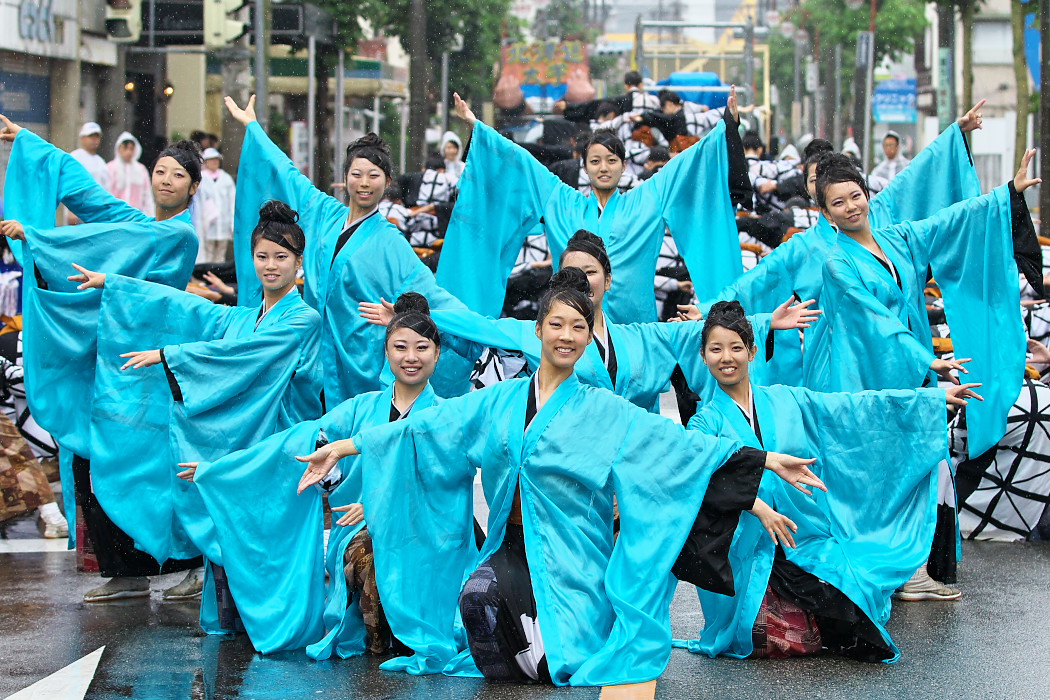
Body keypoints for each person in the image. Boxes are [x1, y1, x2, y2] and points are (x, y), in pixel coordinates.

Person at [297, 268, 825, 686]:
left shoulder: (602, 408)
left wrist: (763, 462)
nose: (568, 336)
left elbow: (676, 444)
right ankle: (528, 641)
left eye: (579, 327)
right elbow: (430, 424)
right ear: (538, 331)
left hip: (575, 552)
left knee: (568, 659)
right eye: (558, 325)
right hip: (514, 542)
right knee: (477, 598)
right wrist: (344, 447)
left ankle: (548, 639)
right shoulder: (502, 398)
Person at [683, 303, 979, 661]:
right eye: (715, 349)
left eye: (735, 347)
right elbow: (706, 483)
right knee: (793, 640)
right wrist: (759, 509)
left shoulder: (787, 398)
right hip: (745, 546)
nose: (726, 358)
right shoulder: (702, 425)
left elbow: (855, 408)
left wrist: (928, 401)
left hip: (801, 534)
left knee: (855, 613)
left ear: (752, 351)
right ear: (703, 355)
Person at [69, 200, 322, 609]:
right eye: (262, 256)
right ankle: (237, 617)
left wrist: (170, 356)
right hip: (247, 436)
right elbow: (191, 308)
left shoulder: (302, 319)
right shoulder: (244, 317)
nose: (270, 265)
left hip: (279, 441)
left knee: (269, 542)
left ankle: (282, 618)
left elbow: (247, 354)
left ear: (299, 263)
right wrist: (117, 286)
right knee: (233, 533)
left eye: (281, 256)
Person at [0, 113, 202, 601]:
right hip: (117, 361)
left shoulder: (179, 235)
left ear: (195, 187)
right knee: (101, 460)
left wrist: (39, 237)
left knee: (151, 468)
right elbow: (93, 202)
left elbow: (106, 244)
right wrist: (31, 144)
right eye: (161, 172)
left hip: (155, 368)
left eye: (179, 175)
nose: (166, 181)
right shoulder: (145, 225)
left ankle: (194, 564)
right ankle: (127, 569)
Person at [173, 292, 442, 655]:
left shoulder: (447, 415)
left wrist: (381, 506)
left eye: (421, 347)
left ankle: (409, 634)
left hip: (428, 526)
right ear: (386, 352)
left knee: (393, 550)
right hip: (359, 527)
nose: (411, 357)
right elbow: (295, 442)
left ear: (437, 353)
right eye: (400, 347)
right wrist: (221, 470)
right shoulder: (361, 408)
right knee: (367, 552)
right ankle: (383, 641)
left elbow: (445, 482)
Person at [362, 229, 820, 411]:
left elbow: (693, 334)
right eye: (573, 274)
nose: (583, 282)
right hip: (563, 463)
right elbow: (478, 325)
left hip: (623, 462)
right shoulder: (535, 334)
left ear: (608, 279)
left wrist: (762, 323)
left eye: (592, 273)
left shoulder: (639, 339)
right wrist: (409, 318)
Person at [704, 102, 989, 387]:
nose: (846, 202)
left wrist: (955, 135)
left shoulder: (883, 222)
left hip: (899, 353)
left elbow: (915, 178)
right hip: (840, 364)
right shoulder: (803, 247)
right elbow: (754, 282)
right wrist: (707, 309)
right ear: (812, 191)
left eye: (847, 187)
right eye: (817, 179)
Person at [224, 95, 475, 403]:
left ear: (388, 182)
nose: (364, 183)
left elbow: (431, 296)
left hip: (359, 359)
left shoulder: (391, 242)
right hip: (311, 352)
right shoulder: (323, 214)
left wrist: (472, 328)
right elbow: (287, 174)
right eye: (356, 174)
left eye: (374, 175)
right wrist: (253, 128)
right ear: (344, 179)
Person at [437, 88, 749, 325]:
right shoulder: (562, 201)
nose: (604, 168)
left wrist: (727, 127)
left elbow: (686, 164)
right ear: (584, 166)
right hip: (573, 326)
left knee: (635, 406)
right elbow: (522, 164)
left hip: (633, 327)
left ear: (624, 166)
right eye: (595, 161)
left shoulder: (647, 199)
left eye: (612, 160)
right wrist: (477, 127)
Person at [192, 148, 236, 263]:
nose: (214, 162)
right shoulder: (201, 179)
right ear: (205, 162)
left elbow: (232, 201)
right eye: (211, 160)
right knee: (208, 251)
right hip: (207, 222)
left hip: (223, 222)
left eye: (216, 160)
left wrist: (232, 222)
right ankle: (207, 275)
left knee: (221, 252)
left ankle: (219, 275)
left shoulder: (226, 178)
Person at [106, 132, 154, 216]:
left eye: (131, 149)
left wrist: (150, 215)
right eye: (126, 148)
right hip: (116, 216)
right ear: (119, 148)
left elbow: (147, 195)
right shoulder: (110, 168)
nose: (128, 152)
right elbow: (106, 193)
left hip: (136, 216)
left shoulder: (141, 169)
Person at [70, 121, 109, 190]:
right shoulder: (74, 157)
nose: (94, 139)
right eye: (90, 136)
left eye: (97, 137)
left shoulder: (100, 161)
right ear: (82, 138)